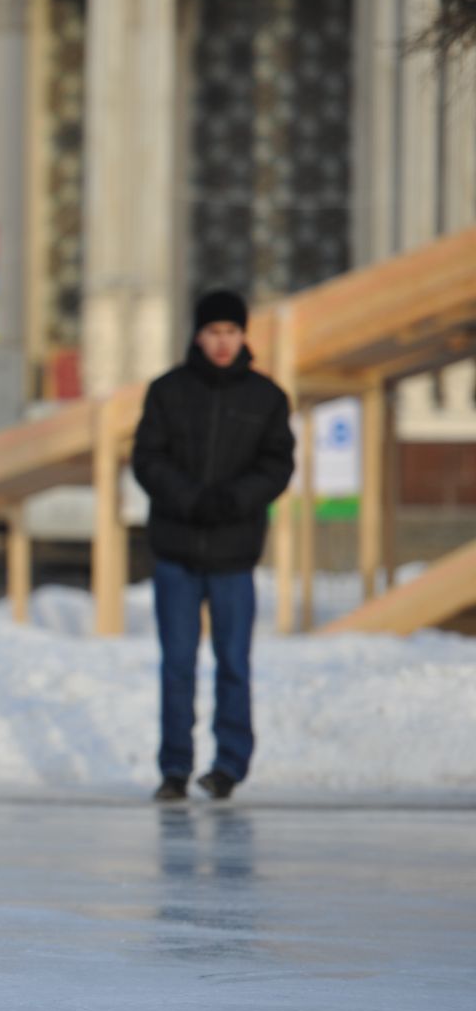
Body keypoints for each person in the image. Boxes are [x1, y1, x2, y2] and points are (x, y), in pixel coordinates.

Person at [131, 290, 295, 803]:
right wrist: (190, 499)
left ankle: (228, 766)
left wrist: (231, 500)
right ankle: (174, 768)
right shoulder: (167, 391)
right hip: (177, 551)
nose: (222, 342)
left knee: (233, 663)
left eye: (231, 331)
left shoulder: (267, 398)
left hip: (234, 554)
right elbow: (148, 459)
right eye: (212, 332)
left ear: (244, 336)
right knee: (177, 664)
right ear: (197, 336)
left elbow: (276, 464)